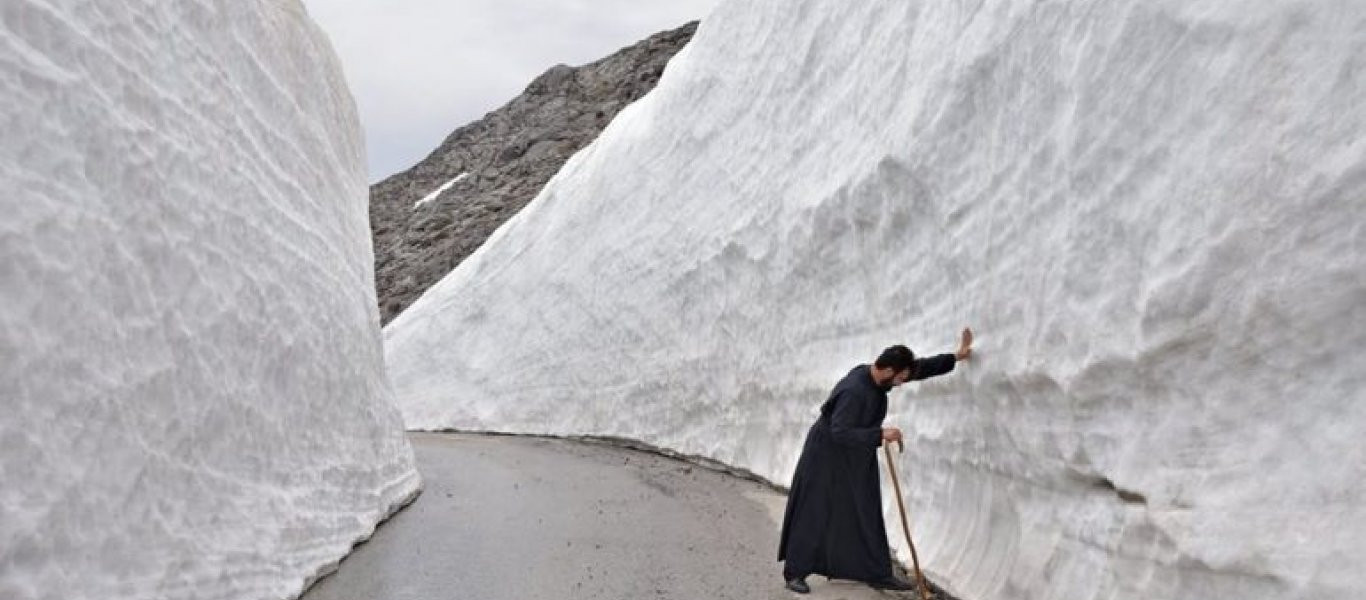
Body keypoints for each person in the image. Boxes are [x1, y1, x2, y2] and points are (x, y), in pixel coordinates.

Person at [777, 328, 973, 594]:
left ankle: (875, 572)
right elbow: (839, 431)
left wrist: (956, 357)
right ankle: (795, 573)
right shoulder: (854, 391)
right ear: (888, 370)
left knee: (866, 510)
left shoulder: (880, 374)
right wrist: (880, 434)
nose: (902, 383)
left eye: (904, 377)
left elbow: (918, 369)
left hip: (856, 454)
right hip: (825, 456)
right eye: (899, 378)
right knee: (816, 510)